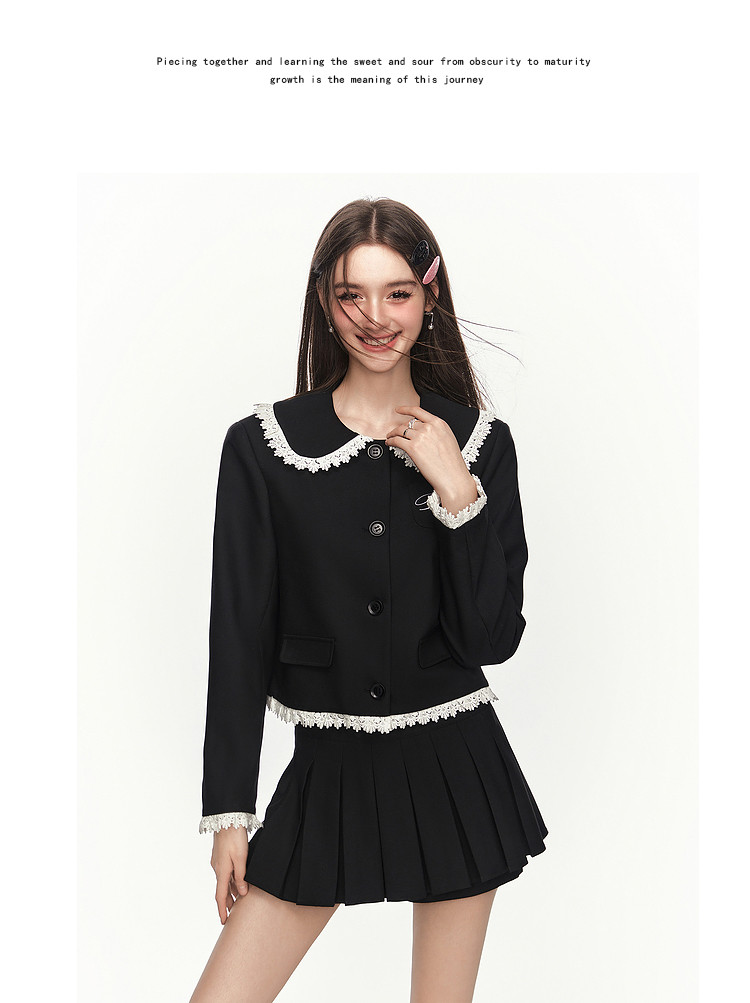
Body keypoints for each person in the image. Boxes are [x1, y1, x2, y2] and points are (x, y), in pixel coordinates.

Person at [189, 197, 548, 1003]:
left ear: (429, 297)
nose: (376, 318)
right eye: (352, 294)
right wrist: (229, 811)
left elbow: (490, 638)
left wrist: (457, 489)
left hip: (459, 772)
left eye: (398, 293)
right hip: (328, 771)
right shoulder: (263, 447)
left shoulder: (481, 444)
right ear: (325, 300)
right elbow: (237, 635)